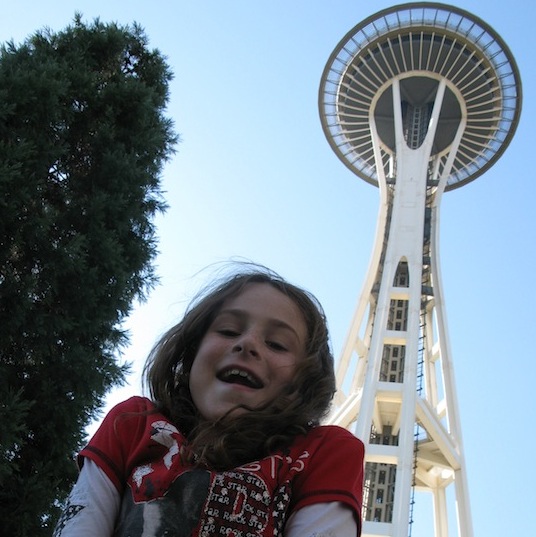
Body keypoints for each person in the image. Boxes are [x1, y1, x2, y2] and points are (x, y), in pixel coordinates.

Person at [54, 267, 364, 536]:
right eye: (228, 330)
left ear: (303, 383)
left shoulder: (323, 454)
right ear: (191, 353)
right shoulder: (132, 423)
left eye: (277, 344)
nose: (247, 344)